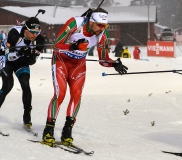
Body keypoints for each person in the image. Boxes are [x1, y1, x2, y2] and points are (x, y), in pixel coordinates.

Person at [41, 8, 128, 146]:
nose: (103, 28)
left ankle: (67, 130)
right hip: (61, 61)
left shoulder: (102, 34)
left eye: (105, 25)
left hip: (78, 64)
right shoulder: (75, 23)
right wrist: (74, 46)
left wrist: (114, 64)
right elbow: (56, 46)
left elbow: (102, 59)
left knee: (76, 94)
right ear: (91, 21)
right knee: (60, 94)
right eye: (100, 25)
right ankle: (48, 129)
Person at [0, 17, 45, 130]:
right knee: (8, 85)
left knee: (26, 85)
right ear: (26, 30)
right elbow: (10, 57)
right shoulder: (15, 33)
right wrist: (21, 52)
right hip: (7, 58)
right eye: (32, 32)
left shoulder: (40, 40)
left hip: (21, 60)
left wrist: (29, 55)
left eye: (37, 32)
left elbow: (32, 61)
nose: (35, 35)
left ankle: (27, 117)